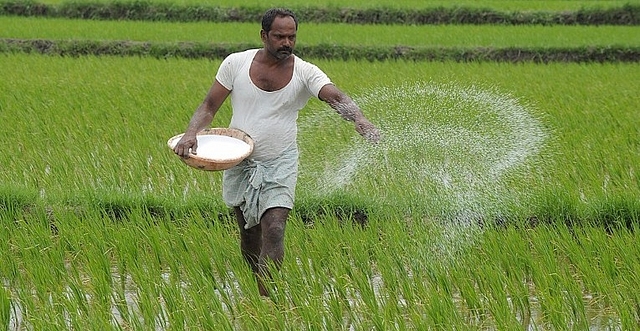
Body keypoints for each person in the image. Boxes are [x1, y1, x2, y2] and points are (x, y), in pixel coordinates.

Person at [173, 8, 380, 297]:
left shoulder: (305, 72)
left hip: (280, 160)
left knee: (275, 227)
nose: (287, 42)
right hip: (239, 160)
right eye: (280, 36)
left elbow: (335, 95)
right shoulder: (236, 63)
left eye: (291, 37)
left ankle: (266, 297)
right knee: (249, 234)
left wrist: (358, 118)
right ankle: (255, 283)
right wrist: (191, 132)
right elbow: (209, 106)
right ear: (264, 35)